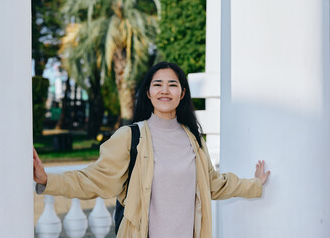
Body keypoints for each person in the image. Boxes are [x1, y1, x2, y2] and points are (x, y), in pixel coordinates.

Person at [33, 61, 270, 238]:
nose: (165, 90)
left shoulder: (194, 141)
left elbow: (215, 184)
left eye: (172, 85)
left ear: (182, 93)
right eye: (158, 84)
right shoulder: (130, 137)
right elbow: (94, 179)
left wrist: (255, 184)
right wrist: (48, 180)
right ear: (148, 92)